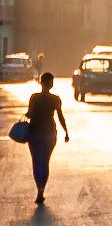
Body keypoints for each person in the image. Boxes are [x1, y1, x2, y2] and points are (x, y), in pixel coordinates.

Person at [25, 72, 68, 205]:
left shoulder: (34, 98)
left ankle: (40, 189)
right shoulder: (56, 99)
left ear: (41, 82)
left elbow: (30, 114)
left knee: (37, 162)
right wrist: (66, 132)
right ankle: (42, 189)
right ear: (52, 83)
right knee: (45, 162)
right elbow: (60, 117)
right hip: (49, 134)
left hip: (35, 133)